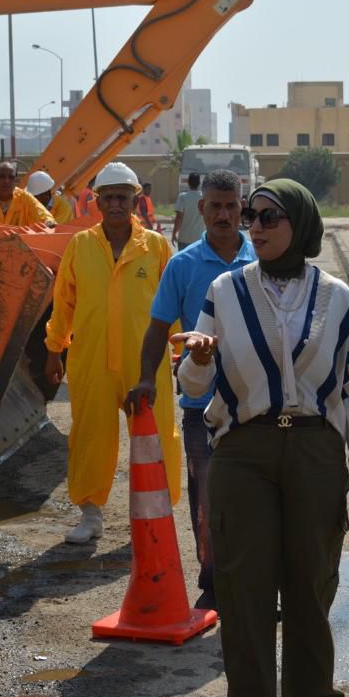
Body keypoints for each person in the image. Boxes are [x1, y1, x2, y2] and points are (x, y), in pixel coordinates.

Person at [176, 178, 349, 697]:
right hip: (242, 448)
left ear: (301, 224)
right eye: (251, 216)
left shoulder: (336, 297)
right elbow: (194, 384)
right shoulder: (225, 290)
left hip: (315, 448)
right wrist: (195, 358)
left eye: (269, 217)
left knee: (313, 579)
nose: (255, 227)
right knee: (244, 584)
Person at [125, 169, 255, 612]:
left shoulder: (261, 261)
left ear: (242, 207)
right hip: (201, 408)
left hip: (254, 408)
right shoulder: (182, 266)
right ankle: (214, 583)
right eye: (215, 206)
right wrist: (147, 378)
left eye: (231, 205)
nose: (223, 214)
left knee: (255, 503)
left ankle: (257, 586)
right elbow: (158, 328)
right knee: (207, 503)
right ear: (201, 209)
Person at [44, 161, 180, 544]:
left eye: (124, 197)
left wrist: (178, 351)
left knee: (154, 438)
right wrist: (55, 349)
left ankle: (156, 515)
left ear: (136, 200)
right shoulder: (81, 246)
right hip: (91, 360)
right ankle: (90, 514)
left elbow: (170, 306)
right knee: (90, 436)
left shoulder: (155, 247)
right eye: (109, 197)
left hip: (145, 363)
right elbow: (64, 303)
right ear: (97, 202)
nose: (117, 204)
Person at [172, 171, 206, 251]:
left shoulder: (183, 197)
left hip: (184, 238)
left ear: (188, 183)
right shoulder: (204, 197)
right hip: (200, 238)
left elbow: (179, 218)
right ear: (199, 183)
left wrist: (174, 233)